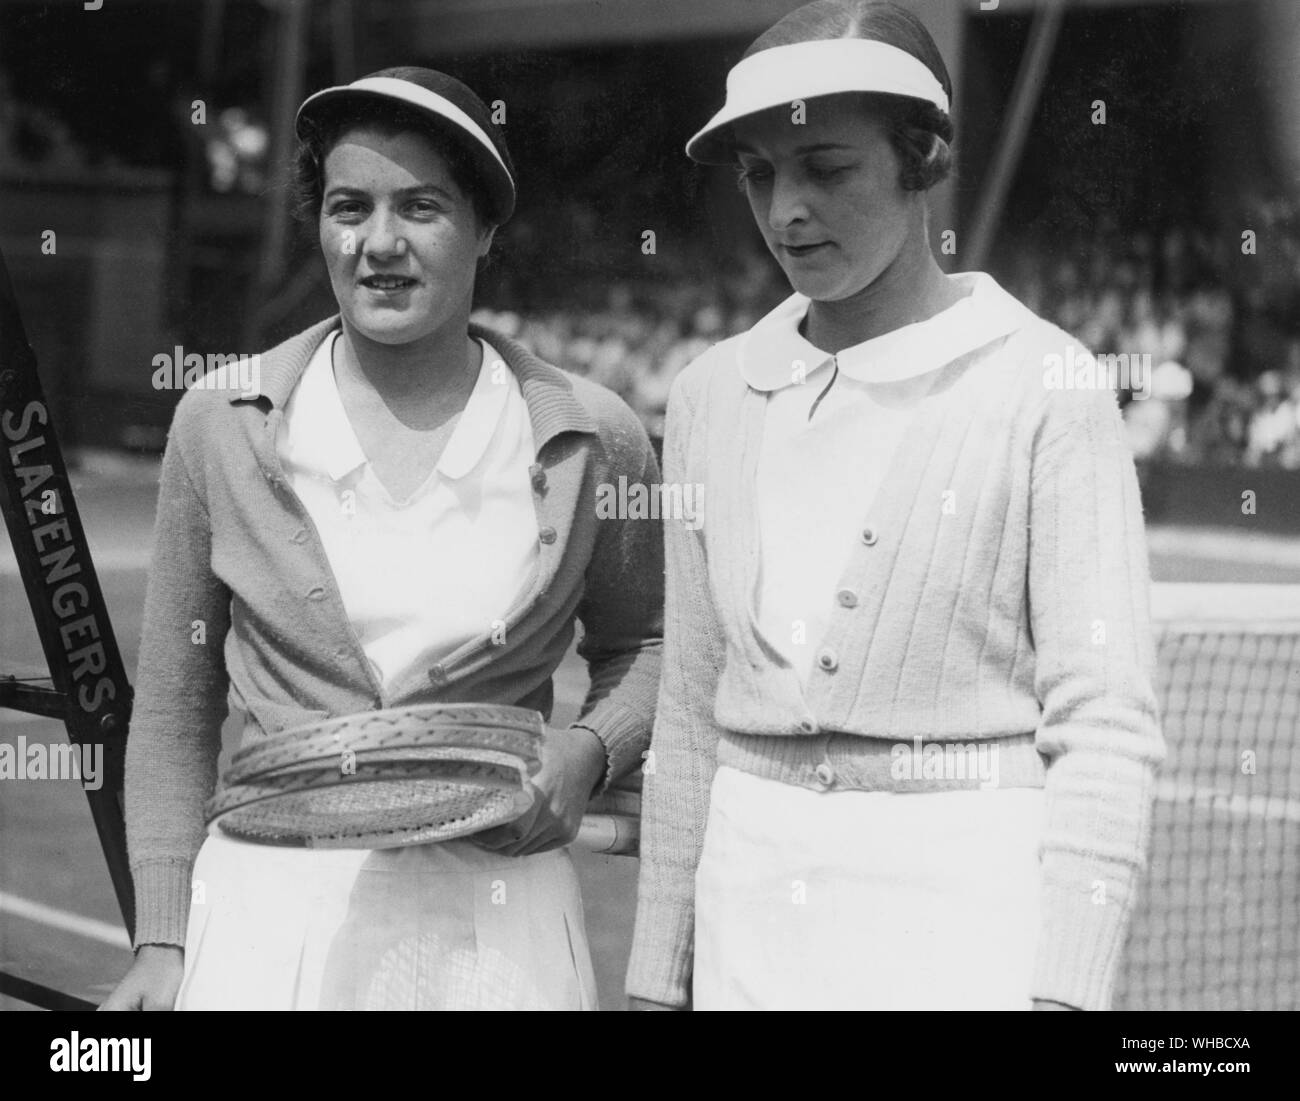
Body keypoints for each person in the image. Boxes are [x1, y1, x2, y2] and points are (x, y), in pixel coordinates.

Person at [627, 0, 1165, 1011]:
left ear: (919, 161)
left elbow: (1105, 724)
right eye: (759, 174)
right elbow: (689, 715)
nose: (786, 210)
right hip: (748, 915)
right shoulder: (707, 396)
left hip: (961, 922)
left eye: (826, 169)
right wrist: (658, 975)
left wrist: (1064, 994)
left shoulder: (1045, 380)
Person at [102, 67, 663, 1011]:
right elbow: (172, 705)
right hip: (268, 915)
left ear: (485, 228)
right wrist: (162, 939)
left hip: (500, 920)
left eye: (423, 207)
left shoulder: (590, 433)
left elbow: (650, 644)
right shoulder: (222, 420)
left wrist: (590, 751)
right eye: (349, 207)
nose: (379, 244)